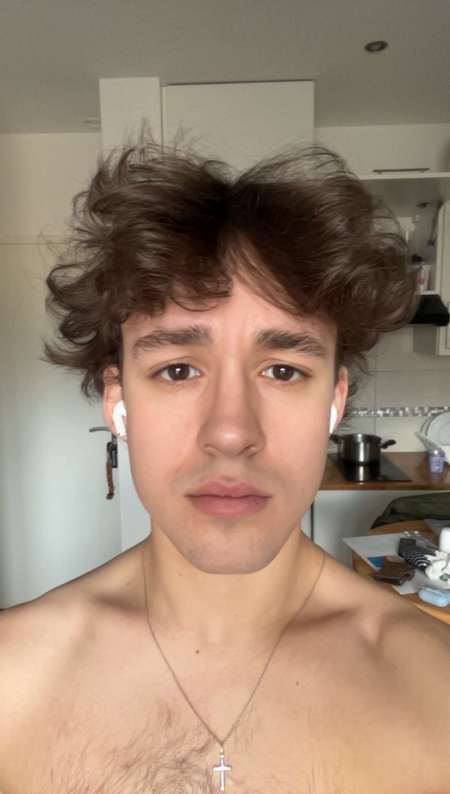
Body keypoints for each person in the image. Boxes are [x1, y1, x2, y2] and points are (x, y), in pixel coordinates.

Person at [0, 140, 448, 794]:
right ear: (120, 403)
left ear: (334, 401)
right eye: (178, 370)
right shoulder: (13, 680)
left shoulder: (433, 687)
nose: (231, 433)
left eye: (283, 370)